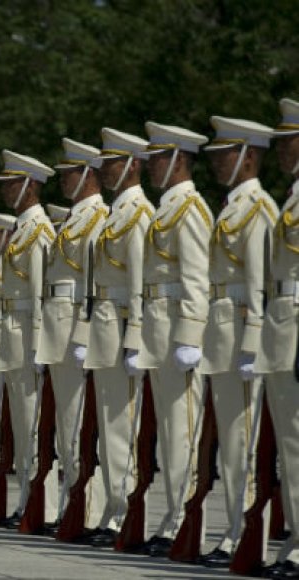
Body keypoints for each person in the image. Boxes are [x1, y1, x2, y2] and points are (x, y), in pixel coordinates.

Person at [197, 115, 278, 568]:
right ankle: (231, 532)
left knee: (244, 442)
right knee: (228, 443)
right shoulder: (230, 207)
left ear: (248, 157)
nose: (215, 163)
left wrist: (252, 343)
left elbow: (260, 283)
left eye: (223, 154)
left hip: (242, 333)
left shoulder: (258, 207)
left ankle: (248, 535)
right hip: (220, 332)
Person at [136, 121, 212, 557]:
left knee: (183, 431)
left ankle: (186, 520)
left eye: (158, 159)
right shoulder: (167, 210)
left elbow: (196, 277)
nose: (150, 167)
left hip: (177, 331)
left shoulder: (191, 210)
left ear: (178, 160)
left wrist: (190, 335)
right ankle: (173, 519)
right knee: (168, 434)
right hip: (157, 328)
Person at [78, 128, 154, 546]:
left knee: (123, 426)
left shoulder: (139, 213)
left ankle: (125, 512)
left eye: (111, 163)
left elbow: (140, 279)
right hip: (105, 326)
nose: (105, 171)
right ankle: (113, 508)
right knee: (110, 428)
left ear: (132, 165)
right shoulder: (115, 214)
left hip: (123, 327)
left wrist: (136, 336)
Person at [37, 138, 108, 535]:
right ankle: (73, 506)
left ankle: (91, 512)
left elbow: (93, 284)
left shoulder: (97, 217)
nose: (63, 182)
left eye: (69, 175)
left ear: (88, 175)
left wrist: (84, 331)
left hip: (74, 329)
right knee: (67, 426)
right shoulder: (75, 218)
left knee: (84, 426)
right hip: (56, 327)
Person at [0, 150, 59, 528]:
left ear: (30, 186)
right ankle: (27, 502)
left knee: (36, 427)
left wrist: (38, 342)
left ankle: (44, 507)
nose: (6, 191)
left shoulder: (39, 231)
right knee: (21, 425)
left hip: (28, 335)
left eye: (12, 184)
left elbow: (39, 293)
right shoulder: (22, 229)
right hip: (12, 334)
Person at [254, 97, 299, 580]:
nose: (283, 150)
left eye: (290, 141)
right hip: (282, 324)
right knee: (289, 444)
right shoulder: (290, 195)